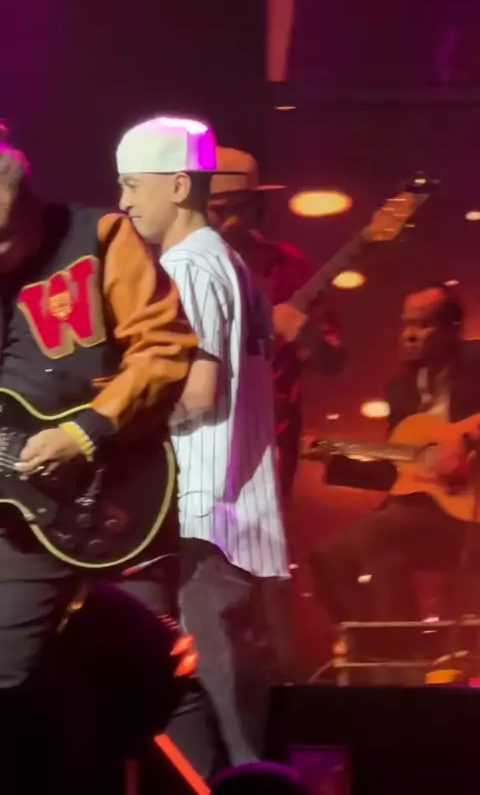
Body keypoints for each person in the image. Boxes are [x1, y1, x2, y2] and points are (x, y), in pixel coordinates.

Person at [0, 124, 197, 790]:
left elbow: (164, 349)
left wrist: (85, 432)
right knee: (12, 681)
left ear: (31, 206)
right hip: (14, 519)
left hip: (116, 494)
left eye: (5, 238)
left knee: (149, 672)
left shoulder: (101, 237)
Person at [116, 116, 290, 776]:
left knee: (209, 701)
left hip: (200, 509)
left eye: (133, 185)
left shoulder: (185, 268)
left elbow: (196, 391)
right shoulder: (233, 263)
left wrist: (110, 422)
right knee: (227, 698)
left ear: (178, 185)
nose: (124, 203)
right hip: (235, 508)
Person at [310, 283, 480, 629]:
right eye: (406, 324)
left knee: (378, 534)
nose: (410, 335)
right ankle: (377, 650)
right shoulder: (400, 392)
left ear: (452, 329)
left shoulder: (476, 362)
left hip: (470, 514)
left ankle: (403, 649)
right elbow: (398, 474)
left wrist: (467, 440)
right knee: (327, 558)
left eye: (423, 324)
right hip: (417, 517)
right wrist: (335, 462)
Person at [209, 147, 345, 498]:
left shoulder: (288, 265)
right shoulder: (174, 271)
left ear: (258, 208)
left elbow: (334, 360)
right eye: (218, 210)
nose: (232, 221)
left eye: (242, 208)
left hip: (270, 443)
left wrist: (306, 336)